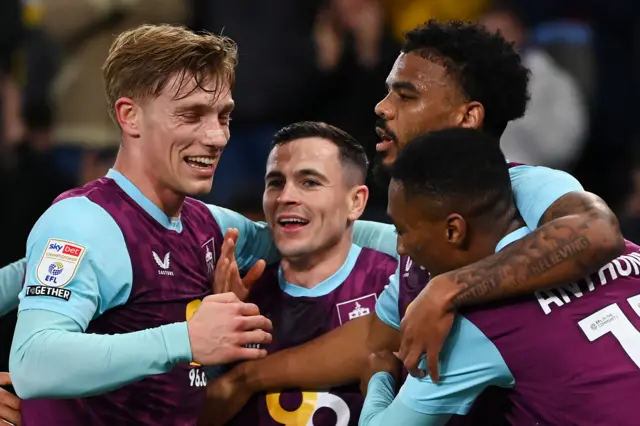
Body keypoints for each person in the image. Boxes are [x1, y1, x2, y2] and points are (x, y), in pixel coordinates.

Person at [202, 20, 623, 423]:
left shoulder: (523, 184)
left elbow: (597, 231)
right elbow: (379, 336)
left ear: (466, 117)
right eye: (388, 93)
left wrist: (451, 288)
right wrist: (248, 379)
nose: (382, 108)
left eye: (406, 95)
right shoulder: (424, 230)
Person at [9, 24, 277, 425]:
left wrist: (401, 238)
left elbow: (305, 238)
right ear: (130, 116)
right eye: (192, 114)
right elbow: (33, 361)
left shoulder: (208, 225)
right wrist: (187, 338)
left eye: (224, 116)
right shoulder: (83, 223)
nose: (217, 136)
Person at [361, 127, 640, 426]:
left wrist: (380, 374)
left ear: (454, 230)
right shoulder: (623, 251)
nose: (401, 246)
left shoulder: (475, 325)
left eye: (402, 231)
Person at [201, 121, 397, 426]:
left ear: (355, 202)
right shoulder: (237, 294)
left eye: (310, 182)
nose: (285, 197)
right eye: (276, 182)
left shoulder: (396, 284)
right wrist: (216, 347)